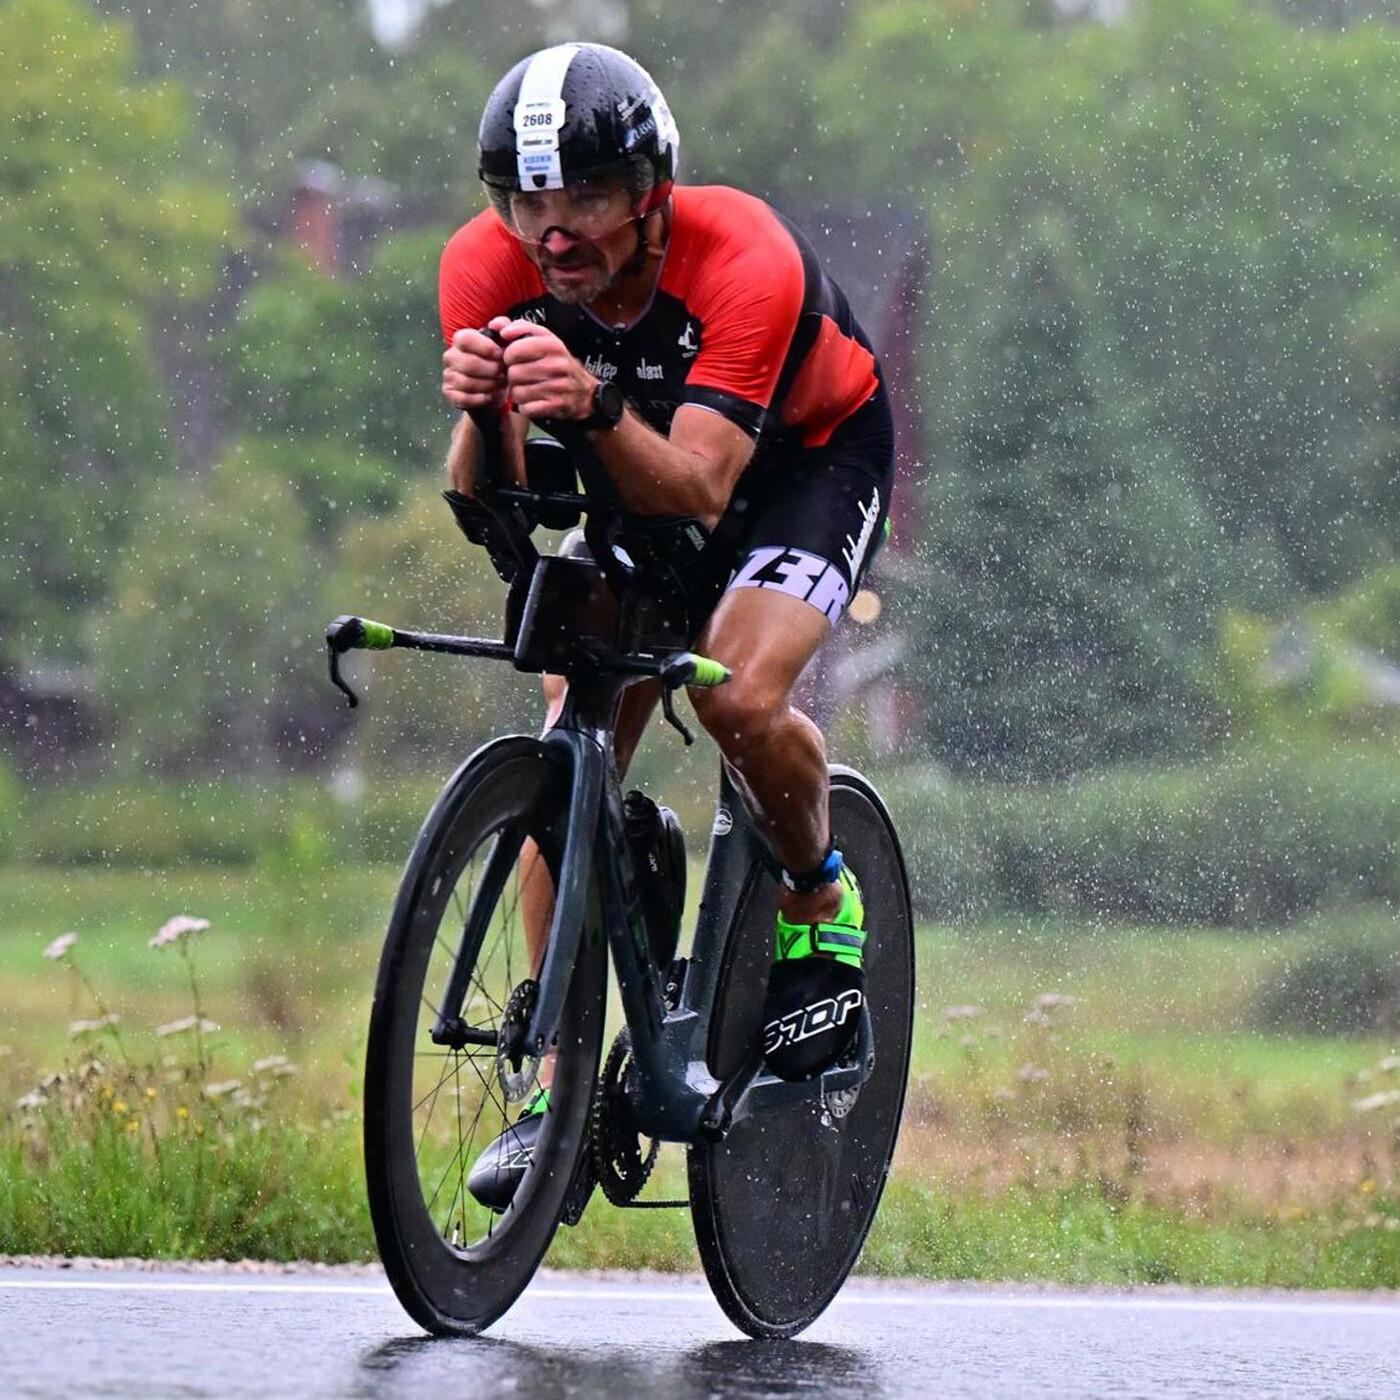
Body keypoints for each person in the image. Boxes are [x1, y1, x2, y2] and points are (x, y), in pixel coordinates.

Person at [439, 42, 894, 1209]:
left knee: (731, 693)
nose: (553, 232)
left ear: (649, 195)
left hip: (798, 467)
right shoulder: (479, 269)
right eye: (526, 199)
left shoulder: (738, 253)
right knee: (565, 727)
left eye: (584, 195)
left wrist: (586, 401)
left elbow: (697, 488)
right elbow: (492, 502)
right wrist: (484, 413)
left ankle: (815, 897)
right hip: (633, 464)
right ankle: (558, 1079)